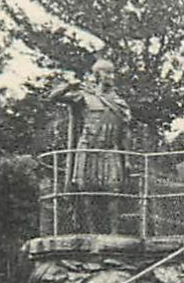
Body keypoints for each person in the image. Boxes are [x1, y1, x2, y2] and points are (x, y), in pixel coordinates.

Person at [48, 57, 133, 233]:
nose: (111, 76)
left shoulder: (119, 103)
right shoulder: (84, 96)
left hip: (110, 149)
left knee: (113, 190)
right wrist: (68, 86)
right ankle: (91, 232)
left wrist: (128, 158)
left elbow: (125, 132)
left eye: (112, 72)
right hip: (88, 147)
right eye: (106, 72)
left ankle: (114, 233)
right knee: (85, 190)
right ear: (97, 75)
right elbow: (53, 98)